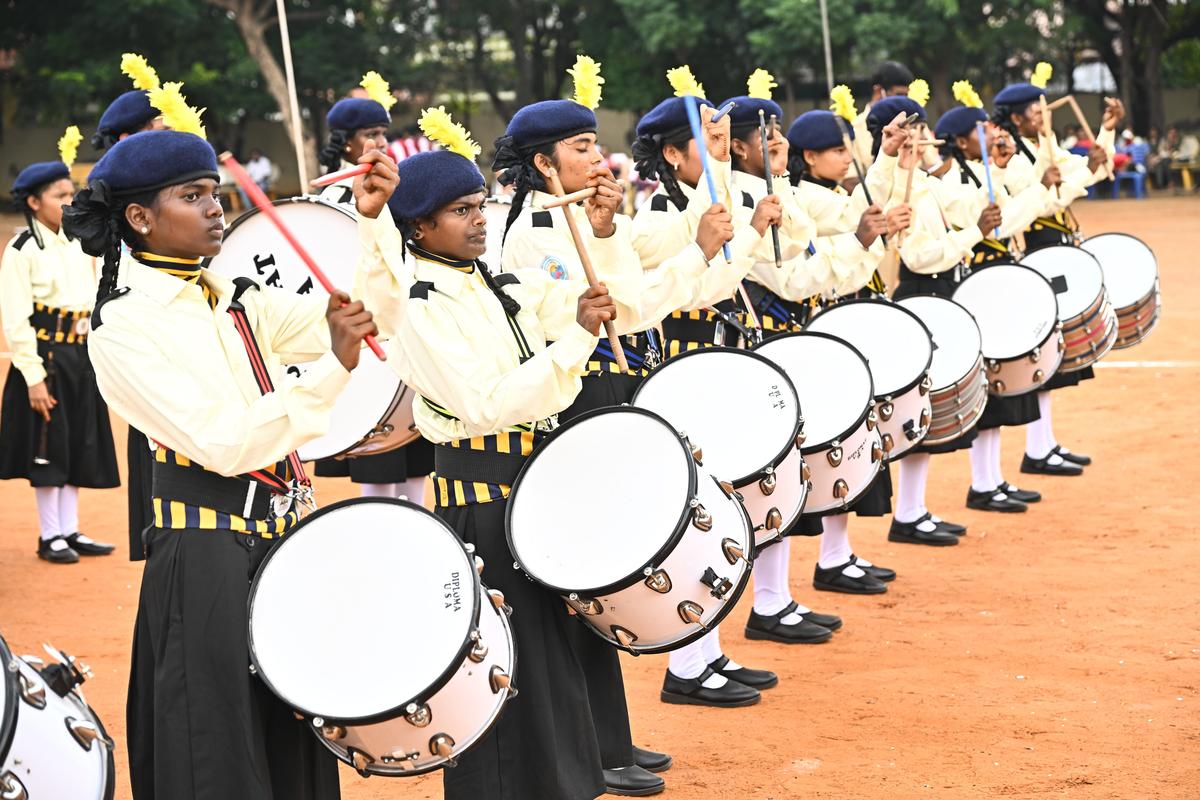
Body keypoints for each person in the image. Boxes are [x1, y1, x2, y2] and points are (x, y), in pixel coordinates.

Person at [65, 120, 370, 796]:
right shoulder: (122, 327)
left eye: (216, 192)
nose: (216, 209)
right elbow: (225, 442)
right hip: (202, 556)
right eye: (194, 196)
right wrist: (331, 370)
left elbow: (344, 313)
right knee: (216, 751)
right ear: (140, 218)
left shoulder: (227, 294)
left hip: (274, 540)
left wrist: (372, 226)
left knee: (292, 732)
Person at [489, 55, 749, 791]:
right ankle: (590, 750)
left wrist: (632, 237)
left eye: (594, 142)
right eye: (579, 147)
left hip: (609, 395)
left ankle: (610, 739)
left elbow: (631, 300)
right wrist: (682, 250)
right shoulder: (523, 236)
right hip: (568, 410)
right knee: (580, 581)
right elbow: (590, 314)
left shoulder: (586, 220)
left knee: (601, 577)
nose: (597, 157)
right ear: (542, 163)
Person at [353, 107, 620, 800]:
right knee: (501, 671)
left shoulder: (492, 283)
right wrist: (579, 340)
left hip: (528, 488)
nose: (480, 219)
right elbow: (485, 404)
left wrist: (602, 243)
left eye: (480, 205)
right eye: (461, 210)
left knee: (548, 666)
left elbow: (593, 299)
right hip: (483, 498)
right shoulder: (420, 304)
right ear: (419, 227)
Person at [990, 74, 1123, 479]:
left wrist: (1106, 132)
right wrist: (1077, 175)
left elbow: (1086, 171)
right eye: (1034, 112)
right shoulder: (1011, 159)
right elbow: (1049, 200)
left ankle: (1043, 444)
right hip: (1038, 250)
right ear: (1016, 117)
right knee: (1043, 352)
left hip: (1058, 248)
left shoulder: (1042, 146)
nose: (1041, 117)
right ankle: (1036, 448)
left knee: (1055, 355)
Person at [0, 130, 120, 564]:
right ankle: (49, 535)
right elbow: (15, 320)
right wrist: (32, 376)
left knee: (77, 441)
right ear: (34, 202)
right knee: (49, 445)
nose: (69, 201)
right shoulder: (22, 249)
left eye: (72, 193)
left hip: (80, 353)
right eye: (59, 194)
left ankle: (70, 530)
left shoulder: (76, 241)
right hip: (46, 357)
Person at [314, 71, 432, 505]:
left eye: (383, 133)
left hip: (400, 318)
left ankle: (419, 522)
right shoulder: (328, 199)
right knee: (377, 449)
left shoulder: (393, 182)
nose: (380, 143)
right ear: (346, 142)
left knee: (416, 449)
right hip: (363, 325)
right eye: (369, 135)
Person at [851, 60, 914, 168]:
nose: (903, 101)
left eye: (906, 96)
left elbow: (931, 166)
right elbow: (850, 182)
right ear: (878, 91)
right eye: (898, 95)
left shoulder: (913, 125)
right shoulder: (854, 129)